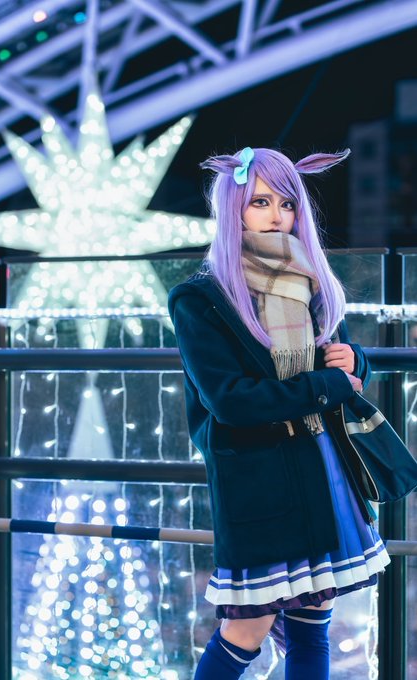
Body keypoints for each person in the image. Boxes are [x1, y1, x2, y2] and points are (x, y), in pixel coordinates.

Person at [167, 146, 391, 680]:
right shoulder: (200, 298)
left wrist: (355, 361)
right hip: (257, 479)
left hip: (320, 467)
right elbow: (231, 400)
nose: (276, 215)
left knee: (313, 627)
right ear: (234, 209)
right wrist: (328, 384)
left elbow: (338, 355)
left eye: (287, 203)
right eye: (260, 201)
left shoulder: (309, 280)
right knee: (246, 631)